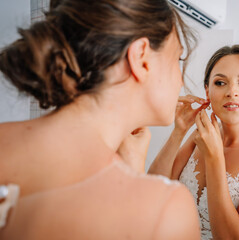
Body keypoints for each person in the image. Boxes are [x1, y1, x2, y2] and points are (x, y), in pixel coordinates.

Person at [0, 0, 201, 239]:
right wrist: (134, 182)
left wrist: (132, 169)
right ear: (141, 58)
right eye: (178, 59)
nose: (181, 80)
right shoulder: (165, 210)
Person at [149, 45, 239, 240]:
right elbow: (153, 191)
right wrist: (179, 131)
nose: (232, 92)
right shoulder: (201, 135)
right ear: (207, 91)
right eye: (220, 83)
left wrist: (214, 157)